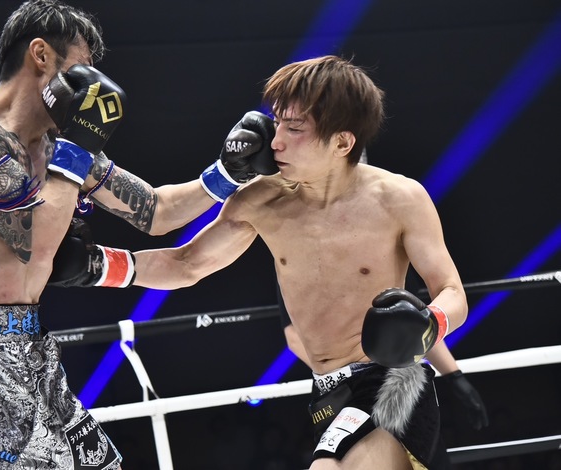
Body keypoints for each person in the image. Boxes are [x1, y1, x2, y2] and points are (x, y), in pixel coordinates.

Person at [0, 1, 275, 469]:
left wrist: (230, 172)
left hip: (34, 352)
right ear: (41, 55)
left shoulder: (61, 149)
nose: (93, 84)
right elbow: (36, 245)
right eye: (82, 67)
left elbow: (157, 212)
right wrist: (76, 149)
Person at [89, 55, 469, 469]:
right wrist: (95, 266)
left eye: (295, 128)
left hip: (392, 380)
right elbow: (186, 264)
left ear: (342, 143)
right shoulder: (261, 199)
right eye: (277, 123)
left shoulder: (399, 199)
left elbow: (452, 292)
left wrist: (430, 324)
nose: (275, 141)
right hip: (326, 393)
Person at [277, 281, 488, 469]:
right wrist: (338, 371)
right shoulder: (293, 255)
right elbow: (293, 336)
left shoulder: (389, 253)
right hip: (328, 389)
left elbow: (414, 327)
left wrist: (454, 375)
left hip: (387, 380)